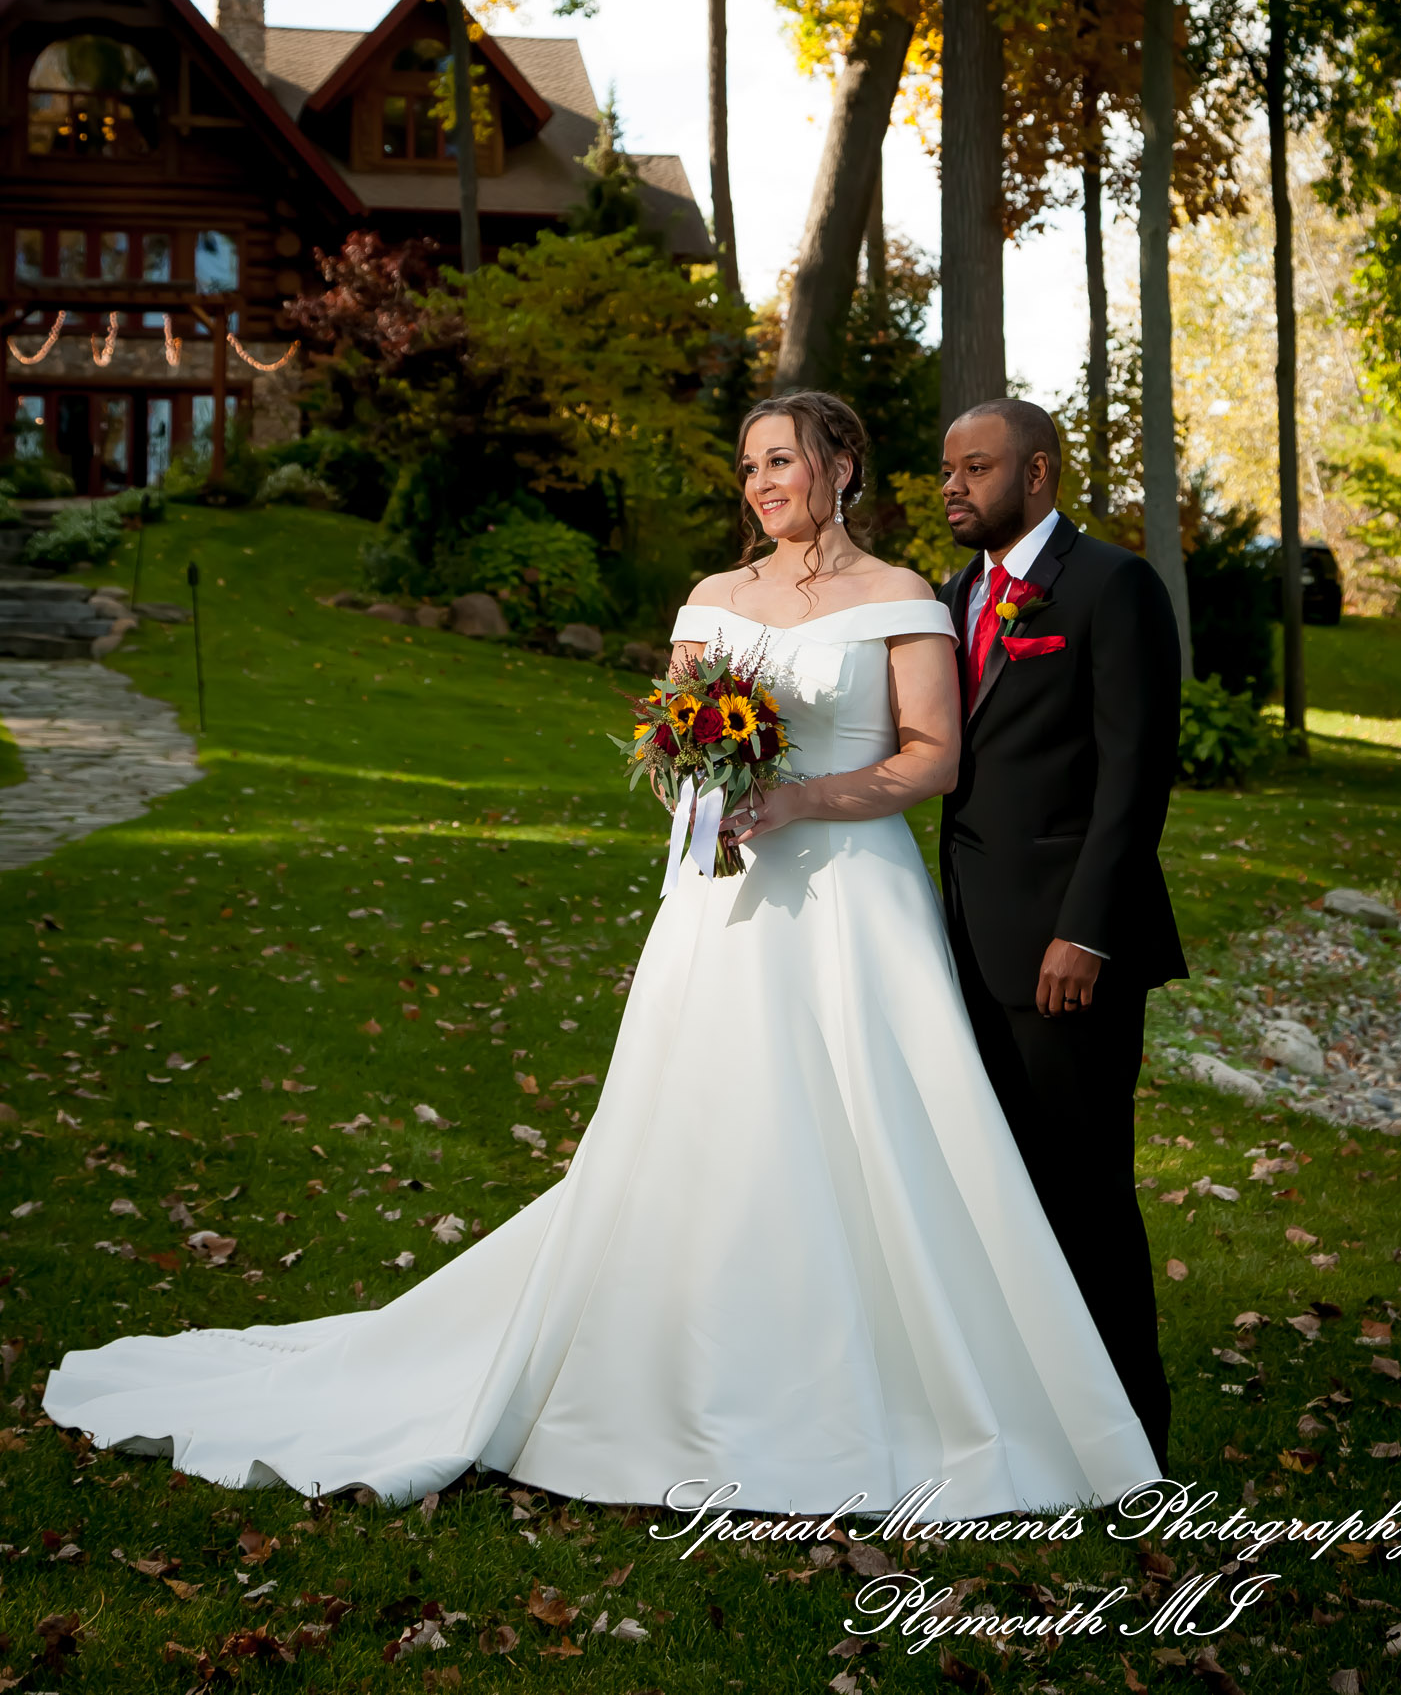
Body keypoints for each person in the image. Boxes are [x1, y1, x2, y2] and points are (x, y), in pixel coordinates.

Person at [44, 391, 1159, 1515]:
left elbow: (933, 760)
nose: (761, 481)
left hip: (860, 908)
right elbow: (674, 745)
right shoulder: (711, 602)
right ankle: (684, 1366)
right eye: (747, 465)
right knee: (706, 1134)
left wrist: (802, 797)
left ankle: (916, 1381)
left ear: (842, 463)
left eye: (781, 459)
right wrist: (700, 782)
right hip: (721, 915)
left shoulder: (905, 596)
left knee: (885, 1142)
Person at [937, 396, 1186, 1472]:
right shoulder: (957, 593)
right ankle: (1035, 1414)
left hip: (1067, 955)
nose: (954, 486)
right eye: (948, 470)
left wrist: (1086, 932)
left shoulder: (1111, 585)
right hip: (965, 943)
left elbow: (1136, 775)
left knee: (1085, 1191)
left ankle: (1133, 1438)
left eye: (976, 468)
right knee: (1004, 1189)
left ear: (1038, 475)